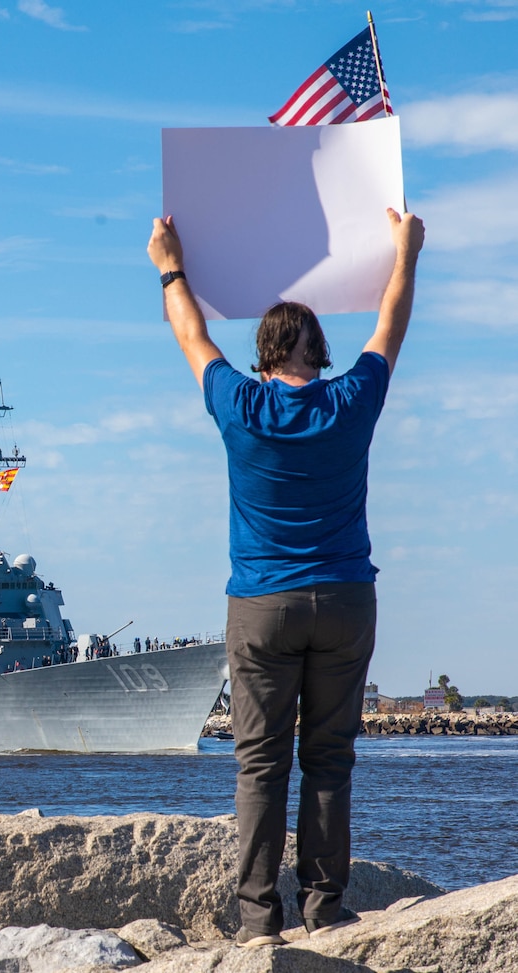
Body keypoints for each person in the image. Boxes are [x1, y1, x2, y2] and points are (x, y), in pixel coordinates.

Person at [148, 206, 424, 948]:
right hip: (343, 599)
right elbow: (390, 324)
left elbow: (190, 333)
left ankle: (257, 920)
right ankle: (325, 909)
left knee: (260, 763)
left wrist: (171, 265)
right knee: (330, 758)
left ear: (265, 352)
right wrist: (406, 253)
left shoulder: (241, 403)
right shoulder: (351, 400)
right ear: (319, 347)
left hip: (262, 604)